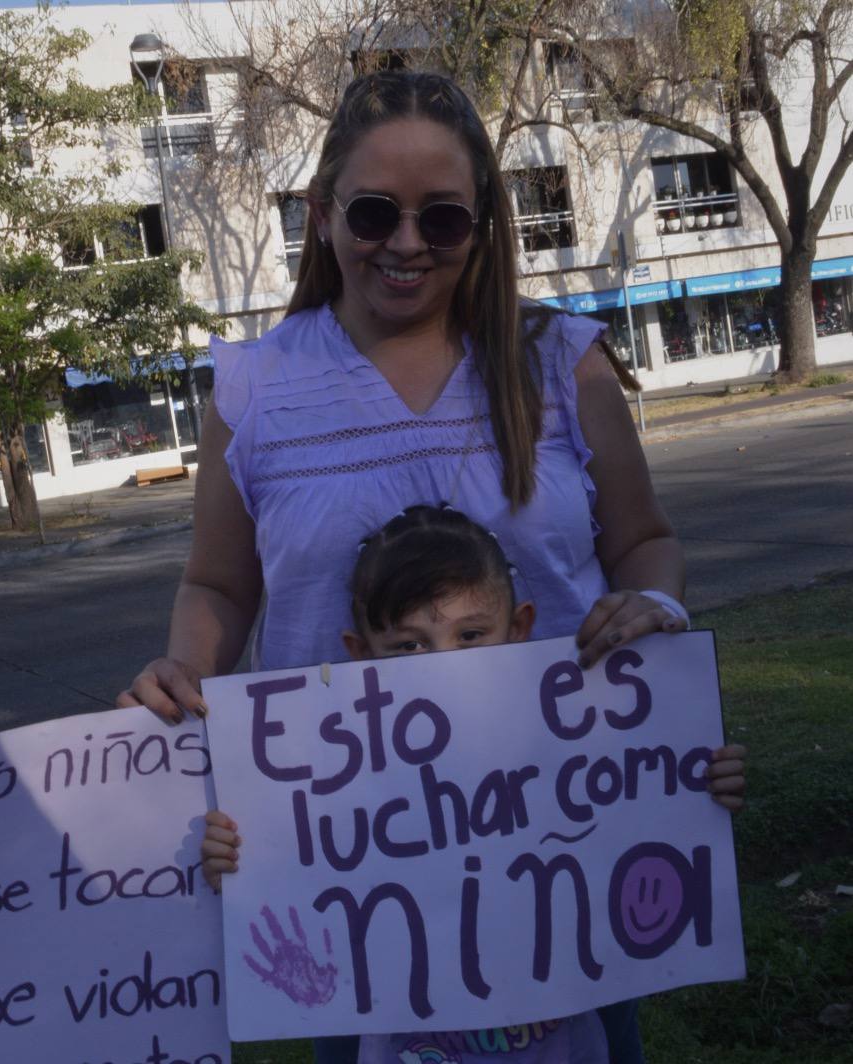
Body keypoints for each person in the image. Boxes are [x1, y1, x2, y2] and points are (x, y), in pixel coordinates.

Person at [118, 70, 693, 1062]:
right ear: (322, 211)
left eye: (443, 217)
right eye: (375, 211)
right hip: (343, 864)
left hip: (562, 845)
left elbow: (642, 541)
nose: (407, 241)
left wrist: (650, 604)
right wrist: (186, 675)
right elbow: (218, 585)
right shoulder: (253, 391)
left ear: (483, 222)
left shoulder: (560, 362)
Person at [200, 504, 747, 1064]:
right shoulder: (338, 784)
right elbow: (295, 879)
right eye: (409, 646)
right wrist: (240, 864)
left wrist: (697, 787)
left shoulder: (571, 746)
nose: (443, 665)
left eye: (470, 635)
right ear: (360, 654)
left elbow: (639, 810)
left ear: (519, 628)